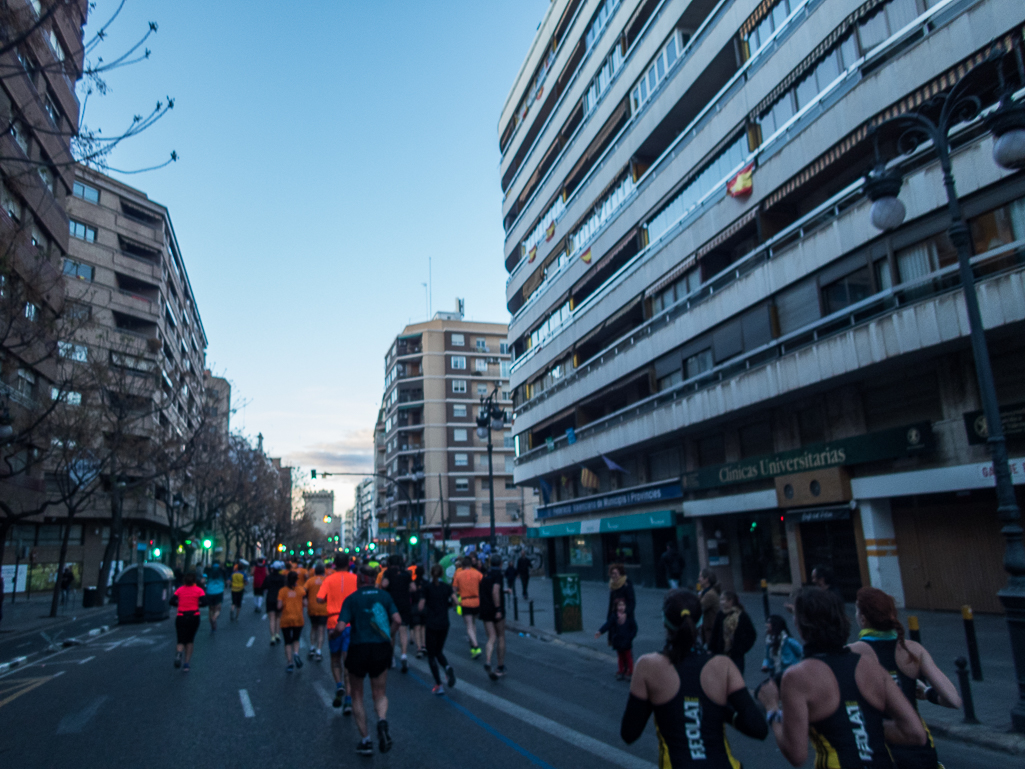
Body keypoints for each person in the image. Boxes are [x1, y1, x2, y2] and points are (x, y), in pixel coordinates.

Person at [756, 587, 926, 767]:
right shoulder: (870, 665)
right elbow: (915, 733)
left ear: (800, 626)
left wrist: (772, 709)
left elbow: (796, 755)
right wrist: (865, 726)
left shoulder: (797, 676)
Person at [621, 589, 768, 765]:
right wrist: (720, 710)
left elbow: (629, 733)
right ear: (699, 623)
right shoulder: (723, 665)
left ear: (664, 622)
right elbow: (758, 728)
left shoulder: (647, 666)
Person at [850, 587, 961, 769]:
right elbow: (953, 700)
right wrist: (927, 694)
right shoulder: (912, 649)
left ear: (863, 618)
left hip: (881, 751)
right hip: (920, 750)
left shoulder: (853, 653)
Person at [340, 565, 402, 756]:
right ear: (375, 578)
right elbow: (398, 620)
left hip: (358, 648)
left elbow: (341, 627)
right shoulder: (384, 596)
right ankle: (382, 720)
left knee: (357, 694)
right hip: (380, 648)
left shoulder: (351, 599)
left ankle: (366, 741)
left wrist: (334, 634)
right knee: (380, 692)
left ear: (359, 579)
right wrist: (387, 635)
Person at [319, 554, 359, 711]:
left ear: (335, 564)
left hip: (333, 623)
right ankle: (349, 699)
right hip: (350, 623)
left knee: (335, 659)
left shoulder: (328, 580)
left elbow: (319, 599)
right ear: (348, 564)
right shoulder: (355, 578)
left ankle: (338, 685)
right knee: (348, 661)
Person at [418, 563, 457, 695]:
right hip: (444, 623)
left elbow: (421, 605)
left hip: (431, 623)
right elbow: (455, 601)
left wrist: (423, 609)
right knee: (439, 650)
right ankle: (447, 667)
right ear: (442, 574)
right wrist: (447, 605)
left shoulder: (427, 588)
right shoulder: (447, 587)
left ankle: (438, 684)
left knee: (431, 654)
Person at [380, 554, 414, 672]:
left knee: (392, 632)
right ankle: (404, 654)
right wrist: (404, 589)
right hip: (405, 603)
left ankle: (392, 657)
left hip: (392, 604)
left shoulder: (388, 573)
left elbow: (384, 585)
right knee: (403, 630)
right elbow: (413, 588)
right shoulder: (406, 574)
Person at [709, 590, 757, 674]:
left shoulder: (741, 615)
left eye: (723, 600)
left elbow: (751, 634)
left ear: (730, 601)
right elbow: (715, 633)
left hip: (736, 655)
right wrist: (711, 649)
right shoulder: (720, 614)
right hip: (721, 654)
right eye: (720, 600)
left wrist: (742, 649)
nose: (721, 603)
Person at [479, 554, 509, 681]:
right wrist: (498, 608)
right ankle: (500, 666)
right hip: (495, 610)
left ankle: (488, 660)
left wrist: (504, 591)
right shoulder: (498, 575)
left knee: (491, 637)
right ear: (501, 563)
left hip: (485, 609)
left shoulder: (485, 575)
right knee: (501, 636)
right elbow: (495, 591)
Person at [596, 596, 638, 680]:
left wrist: (631, 636)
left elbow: (634, 628)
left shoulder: (629, 617)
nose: (621, 607)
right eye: (619, 605)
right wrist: (600, 631)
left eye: (623, 605)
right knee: (620, 657)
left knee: (628, 656)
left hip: (626, 640)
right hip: (618, 639)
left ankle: (630, 671)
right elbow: (608, 624)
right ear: (616, 607)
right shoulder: (614, 617)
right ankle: (621, 670)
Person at [171, 572, 205, 672]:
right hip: (194, 616)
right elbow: (205, 602)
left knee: (180, 639)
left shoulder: (180, 590)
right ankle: (186, 664)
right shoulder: (199, 590)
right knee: (190, 640)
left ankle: (179, 653)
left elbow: (172, 601)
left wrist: (180, 604)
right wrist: (197, 603)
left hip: (181, 616)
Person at [452, 556, 483, 659]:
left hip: (465, 601)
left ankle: (475, 645)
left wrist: (456, 602)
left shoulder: (458, 575)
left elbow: (454, 590)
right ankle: (473, 643)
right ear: (470, 564)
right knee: (473, 623)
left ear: (462, 565)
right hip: (476, 601)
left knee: (468, 625)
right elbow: (483, 583)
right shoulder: (477, 573)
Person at [762, 614, 803, 685]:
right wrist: (765, 665)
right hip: (776, 675)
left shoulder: (788, 641)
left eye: (769, 622)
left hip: (790, 675)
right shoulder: (769, 642)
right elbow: (767, 657)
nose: (767, 625)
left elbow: (801, 652)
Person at [278, 571, 307, 673]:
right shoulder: (301, 590)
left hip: (286, 619)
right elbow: (305, 603)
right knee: (296, 639)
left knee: (287, 642)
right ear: (297, 580)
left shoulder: (282, 591)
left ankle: (290, 662)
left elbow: (279, 606)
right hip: (298, 619)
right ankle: (296, 653)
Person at [305, 562, 329, 661]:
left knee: (313, 628)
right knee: (321, 630)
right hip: (324, 608)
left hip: (312, 608)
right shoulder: (327, 580)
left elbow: (304, 591)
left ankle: (312, 647)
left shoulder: (310, 581)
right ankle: (319, 650)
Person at [263, 561, 286, 645]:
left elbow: (264, 587)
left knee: (272, 618)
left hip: (270, 599)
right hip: (280, 599)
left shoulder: (268, 577)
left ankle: (272, 636)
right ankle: (277, 634)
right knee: (278, 618)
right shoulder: (282, 578)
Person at [606, 563, 636, 628]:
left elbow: (631, 602)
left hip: (625, 617)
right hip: (614, 617)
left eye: (615, 573)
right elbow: (611, 604)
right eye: (612, 574)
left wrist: (626, 614)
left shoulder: (627, 584)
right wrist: (608, 619)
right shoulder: (612, 584)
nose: (613, 576)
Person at [698, 569, 721, 648]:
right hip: (709, 630)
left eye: (701, 577)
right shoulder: (705, 592)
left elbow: (699, 608)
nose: (699, 579)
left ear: (706, 579)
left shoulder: (709, 595)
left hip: (712, 631)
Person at [202, 561, 226, 633]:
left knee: (211, 609)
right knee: (218, 608)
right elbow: (226, 580)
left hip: (209, 591)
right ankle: (214, 617)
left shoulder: (208, 570)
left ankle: (213, 627)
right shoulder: (222, 570)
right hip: (219, 592)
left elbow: (203, 580)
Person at [409, 567, 426, 658]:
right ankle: (424, 645)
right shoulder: (426, 583)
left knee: (417, 628)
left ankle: (418, 648)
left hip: (415, 607)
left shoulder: (413, 584)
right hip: (424, 608)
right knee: (423, 627)